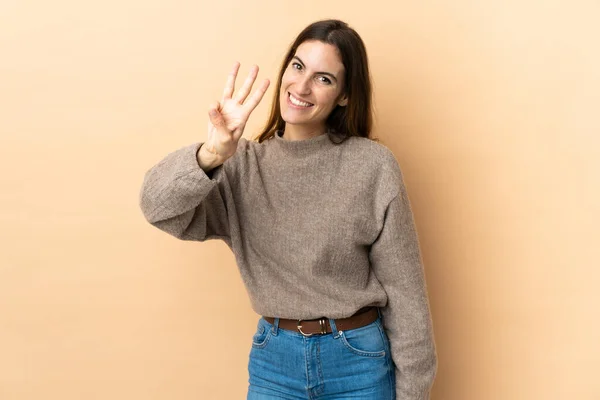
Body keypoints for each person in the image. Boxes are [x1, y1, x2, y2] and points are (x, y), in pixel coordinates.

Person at [139, 19, 437, 400]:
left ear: (345, 95)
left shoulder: (372, 166)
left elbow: (406, 294)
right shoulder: (240, 165)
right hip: (274, 365)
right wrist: (212, 153)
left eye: (324, 78)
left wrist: (413, 393)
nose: (301, 86)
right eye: (298, 66)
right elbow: (157, 207)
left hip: (358, 362)